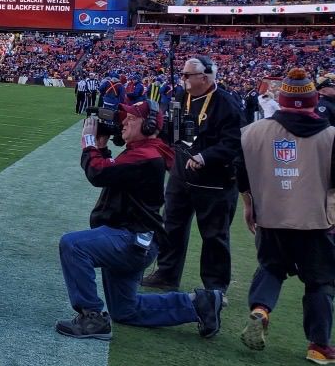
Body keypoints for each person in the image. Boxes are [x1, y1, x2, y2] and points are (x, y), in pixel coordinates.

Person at [56, 100, 225, 340]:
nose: (123, 122)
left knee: (73, 245)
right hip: (137, 239)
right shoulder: (146, 151)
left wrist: (90, 143)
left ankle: (91, 317)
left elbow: (99, 173)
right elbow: (112, 174)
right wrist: (101, 148)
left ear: (147, 125)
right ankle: (200, 304)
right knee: (125, 310)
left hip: (130, 239)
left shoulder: (145, 155)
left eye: (131, 118)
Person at [236, 68, 335, 365]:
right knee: (320, 282)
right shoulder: (331, 135)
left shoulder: (252, 132)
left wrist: (248, 205)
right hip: (316, 220)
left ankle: (261, 309)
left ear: (281, 100)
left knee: (271, 267)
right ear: (313, 99)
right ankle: (318, 346)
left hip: (270, 215)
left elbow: (242, 175)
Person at [142, 56, 243, 293]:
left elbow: (236, 142)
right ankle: (167, 274)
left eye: (187, 75)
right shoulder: (181, 97)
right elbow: (176, 134)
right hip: (181, 175)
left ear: (205, 78)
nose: (182, 78)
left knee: (214, 236)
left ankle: (215, 287)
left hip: (215, 182)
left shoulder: (227, 104)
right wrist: (156, 133)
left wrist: (206, 157)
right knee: (171, 226)